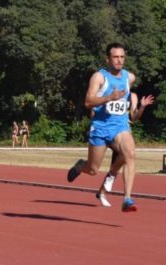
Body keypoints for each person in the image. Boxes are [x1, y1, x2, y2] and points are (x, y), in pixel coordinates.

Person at [66, 43, 139, 212]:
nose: (119, 60)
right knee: (92, 169)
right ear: (107, 59)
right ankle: (80, 166)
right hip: (100, 128)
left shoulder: (129, 78)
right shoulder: (99, 77)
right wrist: (109, 97)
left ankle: (127, 199)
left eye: (122, 57)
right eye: (115, 57)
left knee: (130, 154)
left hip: (120, 126)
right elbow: (88, 102)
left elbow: (126, 100)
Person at [94, 92, 155, 207]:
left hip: (121, 136)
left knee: (119, 165)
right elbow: (94, 109)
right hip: (105, 132)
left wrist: (142, 107)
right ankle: (84, 167)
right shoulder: (108, 90)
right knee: (94, 167)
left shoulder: (132, 96)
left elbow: (134, 117)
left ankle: (106, 193)